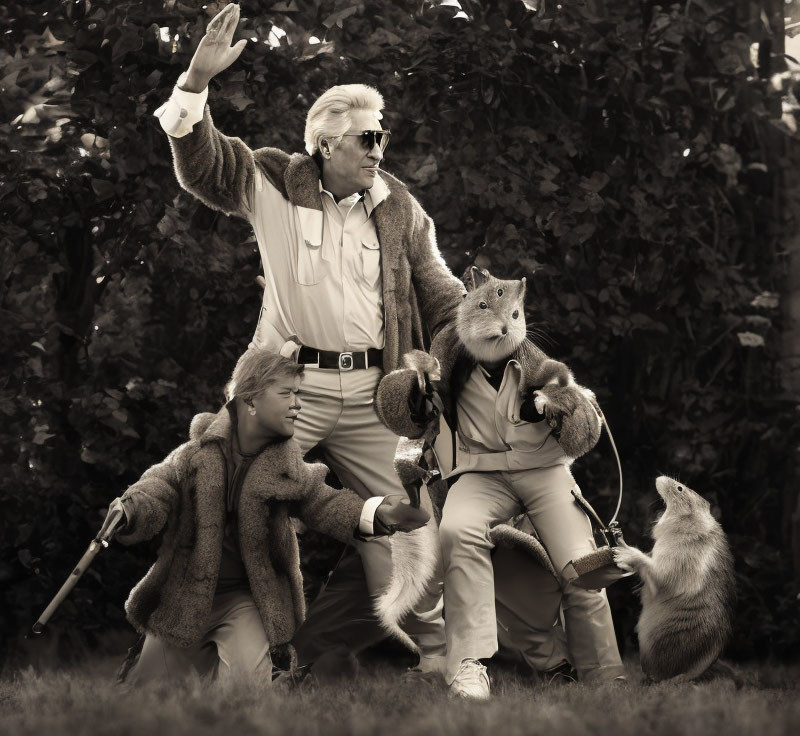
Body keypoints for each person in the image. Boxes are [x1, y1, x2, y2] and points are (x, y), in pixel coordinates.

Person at [152, 3, 463, 673]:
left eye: (382, 137)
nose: (379, 151)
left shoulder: (399, 207)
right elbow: (203, 165)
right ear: (326, 146)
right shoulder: (269, 178)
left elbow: (440, 291)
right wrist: (195, 84)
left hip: (377, 397)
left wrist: (482, 342)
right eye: (366, 141)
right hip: (287, 389)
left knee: (413, 528)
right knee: (220, 501)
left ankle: (446, 664)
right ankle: (190, 657)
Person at [108, 348, 430, 683]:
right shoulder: (194, 455)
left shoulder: (286, 464)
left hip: (247, 603)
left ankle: (269, 680)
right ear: (250, 402)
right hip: (184, 599)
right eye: (286, 393)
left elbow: (324, 503)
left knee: (247, 692)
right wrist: (131, 507)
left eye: (299, 393)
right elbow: (159, 485)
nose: (297, 404)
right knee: (148, 696)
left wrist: (377, 513)